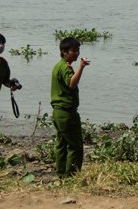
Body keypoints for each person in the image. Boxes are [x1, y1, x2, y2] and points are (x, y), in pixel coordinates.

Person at [50, 37, 90, 177]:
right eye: (73, 50)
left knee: (61, 144)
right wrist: (81, 67)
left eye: (78, 50)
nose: (77, 53)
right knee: (75, 146)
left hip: (58, 112)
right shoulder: (65, 68)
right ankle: (71, 176)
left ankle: (61, 173)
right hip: (66, 113)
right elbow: (71, 83)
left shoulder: (58, 66)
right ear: (64, 52)